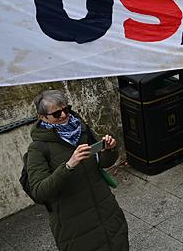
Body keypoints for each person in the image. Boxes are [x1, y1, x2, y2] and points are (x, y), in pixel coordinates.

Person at [25, 90, 128, 251]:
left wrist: (109, 150)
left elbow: (101, 163)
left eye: (66, 109)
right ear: (42, 117)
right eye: (57, 113)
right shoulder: (38, 148)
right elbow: (40, 191)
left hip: (106, 212)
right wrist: (69, 165)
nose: (64, 115)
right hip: (75, 226)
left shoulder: (81, 129)